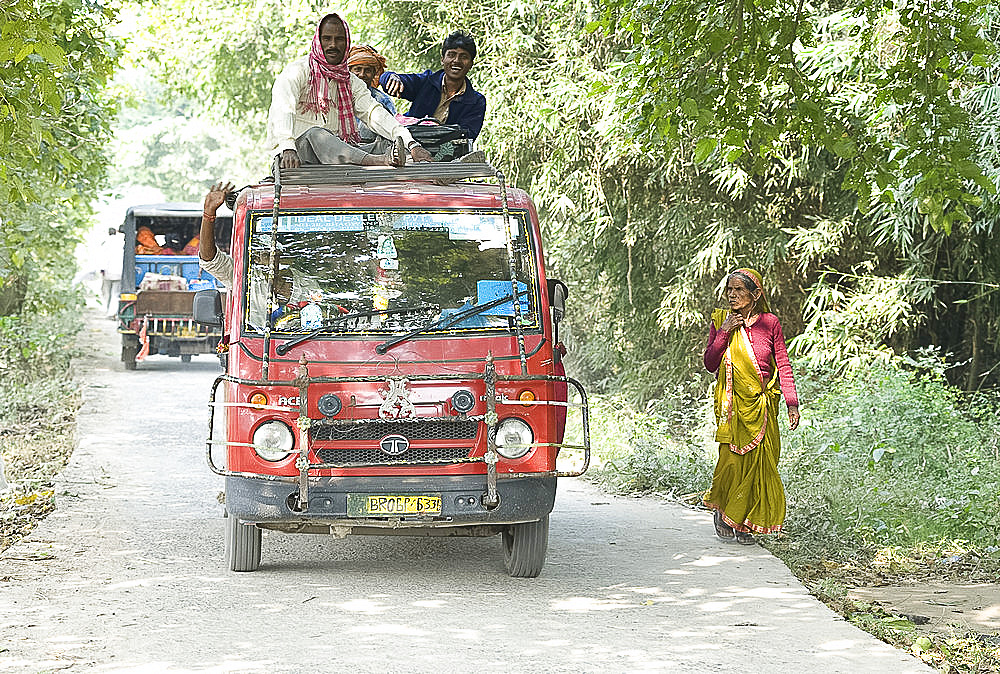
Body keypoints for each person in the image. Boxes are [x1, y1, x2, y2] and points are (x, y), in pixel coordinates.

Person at [702, 268, 800, 545]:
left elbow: (783, 364)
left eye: (739, 291)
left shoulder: (770, 324)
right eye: (729, 291)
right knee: (731, 463)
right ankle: (724, 512)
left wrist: (792, 404)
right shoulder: (721, 320)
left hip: (762, 406)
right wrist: (723, 333)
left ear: (755, 295)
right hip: (733, 408)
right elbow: (710, 364)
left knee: (759, 464)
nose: (732, 296)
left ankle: (745, 523)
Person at [266, 12, 433, 169]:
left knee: (387, 143)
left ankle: (428, 169)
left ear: (347, 43)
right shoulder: (297, 72)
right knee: (317, 135)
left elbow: (373, 113)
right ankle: (378, 161)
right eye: (327, 39)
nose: (333, 45)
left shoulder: (349, 80)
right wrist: (287, 147)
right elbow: (283, 110)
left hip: (337, 158)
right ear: (318, 41)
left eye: (339, 39)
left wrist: (412, 144)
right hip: (296, 157)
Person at [379, 31, 487, 141]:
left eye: (463, 57)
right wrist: (391, 78)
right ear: (442, 59)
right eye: (451, 55)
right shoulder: (426, 82)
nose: (456, 61)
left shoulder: (476, 101)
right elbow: (387, 79)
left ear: (471, 64)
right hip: (411, 144)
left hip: (447, 153)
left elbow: (468, 134)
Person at [346, 45, 396, 115]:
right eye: (358, 69)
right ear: (349, 71)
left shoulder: (382, 100)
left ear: (374, 74)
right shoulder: (338, 94)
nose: (362, 74)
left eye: (368, 70)